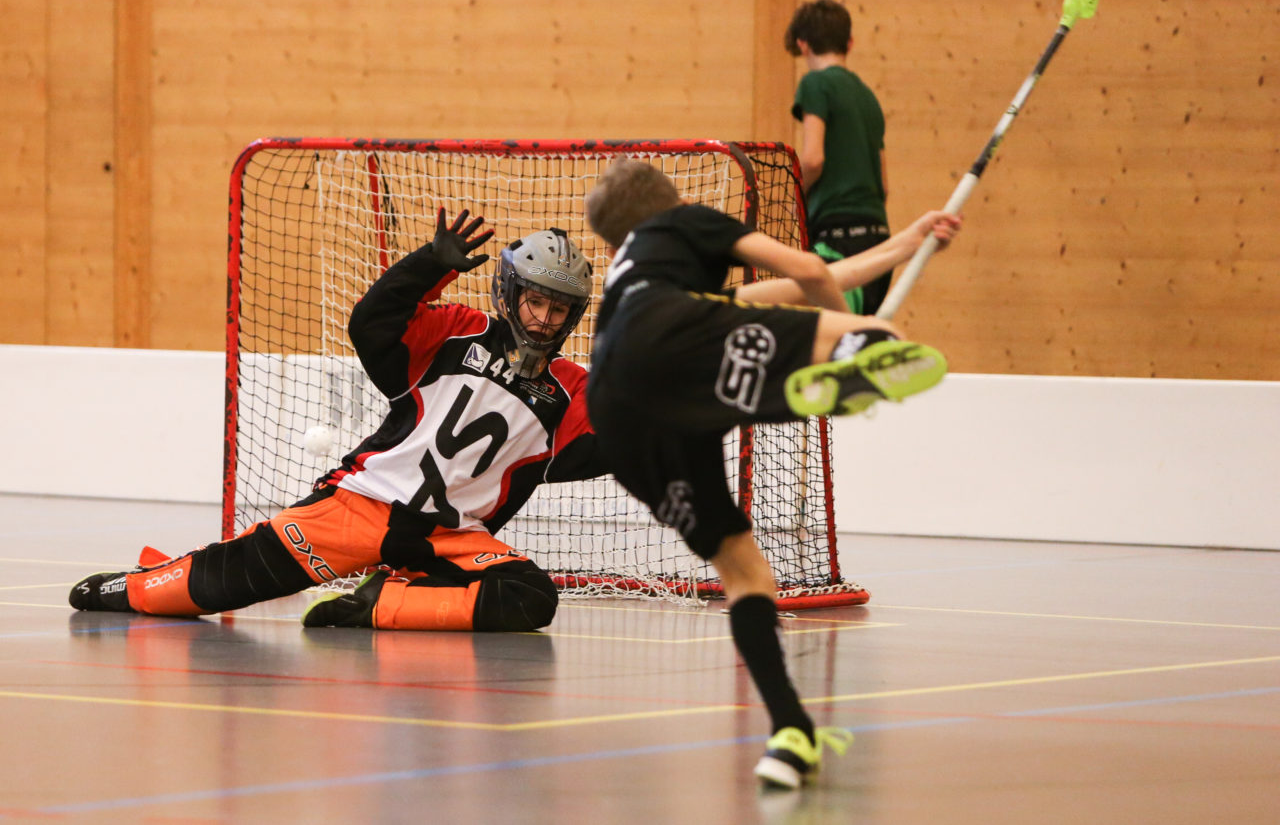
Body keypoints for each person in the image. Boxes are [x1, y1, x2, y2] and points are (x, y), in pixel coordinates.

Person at [583, 158, 961, 789]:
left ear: (616, 242)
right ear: (669, 204)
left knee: (744, 571)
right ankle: (853, 362)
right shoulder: (681, 224)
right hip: (671, 345)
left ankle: (790, 734)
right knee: (875, 334)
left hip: (621, 417)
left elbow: (799, 285)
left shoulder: (642, 284)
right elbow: (809, 271)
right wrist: (852, 327)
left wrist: (910, 242)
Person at [69, 209, 607, 633]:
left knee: (531, 596)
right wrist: (429, 263)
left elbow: (621, 438)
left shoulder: (570, 389)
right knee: (213, 587)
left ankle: (377, 604)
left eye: (558, 310)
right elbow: (372, 325)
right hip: (360, 507)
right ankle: (136, 586)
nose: (542, 319)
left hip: (451, 539)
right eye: (534, 301)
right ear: (509, 294)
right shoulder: (458, 331)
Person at [786, 0, 893, 316]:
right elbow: (884, 186)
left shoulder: (815, 84)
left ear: (803, 45)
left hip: (838, 242)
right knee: (859, 336)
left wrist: (793, 198)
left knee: (833, 338)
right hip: (878, 239)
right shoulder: (867, 96)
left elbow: (813, 159)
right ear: (849, 42)